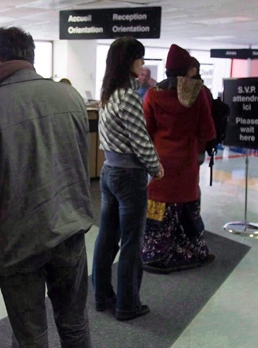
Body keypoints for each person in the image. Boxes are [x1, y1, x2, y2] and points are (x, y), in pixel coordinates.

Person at [0, 27, 94, 347]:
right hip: (69, 231)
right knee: (74, 324)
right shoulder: (70, 97)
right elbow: (78, 166)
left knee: (30, 336)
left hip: (17, 245)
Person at [91, 37, 163, 322]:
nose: (142, 64)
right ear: (129, 61)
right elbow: (141, 141)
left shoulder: (107, 94)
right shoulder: (128, 96)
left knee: (106, 239)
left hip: (109, 171)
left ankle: (101, 296)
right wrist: (156, 168)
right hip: (129, 176)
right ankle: (128, 305)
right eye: (140, 58)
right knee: (132, 243)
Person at [141, 44, 216, 274]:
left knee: (158, 208)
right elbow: (208, 131)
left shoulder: (153, 94)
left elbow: (147, 129)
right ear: (188, 70)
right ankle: (193, 252)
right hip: (186, 162)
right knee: (187, 207)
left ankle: (154, 253)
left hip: (160, 161)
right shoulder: (199, 93)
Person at [188, 57, 214, 165]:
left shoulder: (201, 92)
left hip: (195, 147)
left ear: (194, 71)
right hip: (196, 147)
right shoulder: (204, 91)